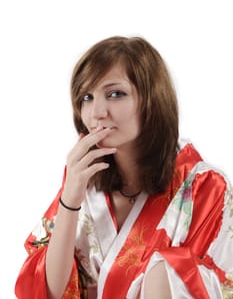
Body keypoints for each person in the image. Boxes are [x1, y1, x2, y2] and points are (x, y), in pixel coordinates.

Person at [15, 36, 233, 299]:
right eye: (86, 97)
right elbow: (47, 292)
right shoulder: (82, 178)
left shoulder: (204, 186)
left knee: (168, 270)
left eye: (115, 94)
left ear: (151, 100)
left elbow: (220, 283)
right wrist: (70, 198)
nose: (97, 112)